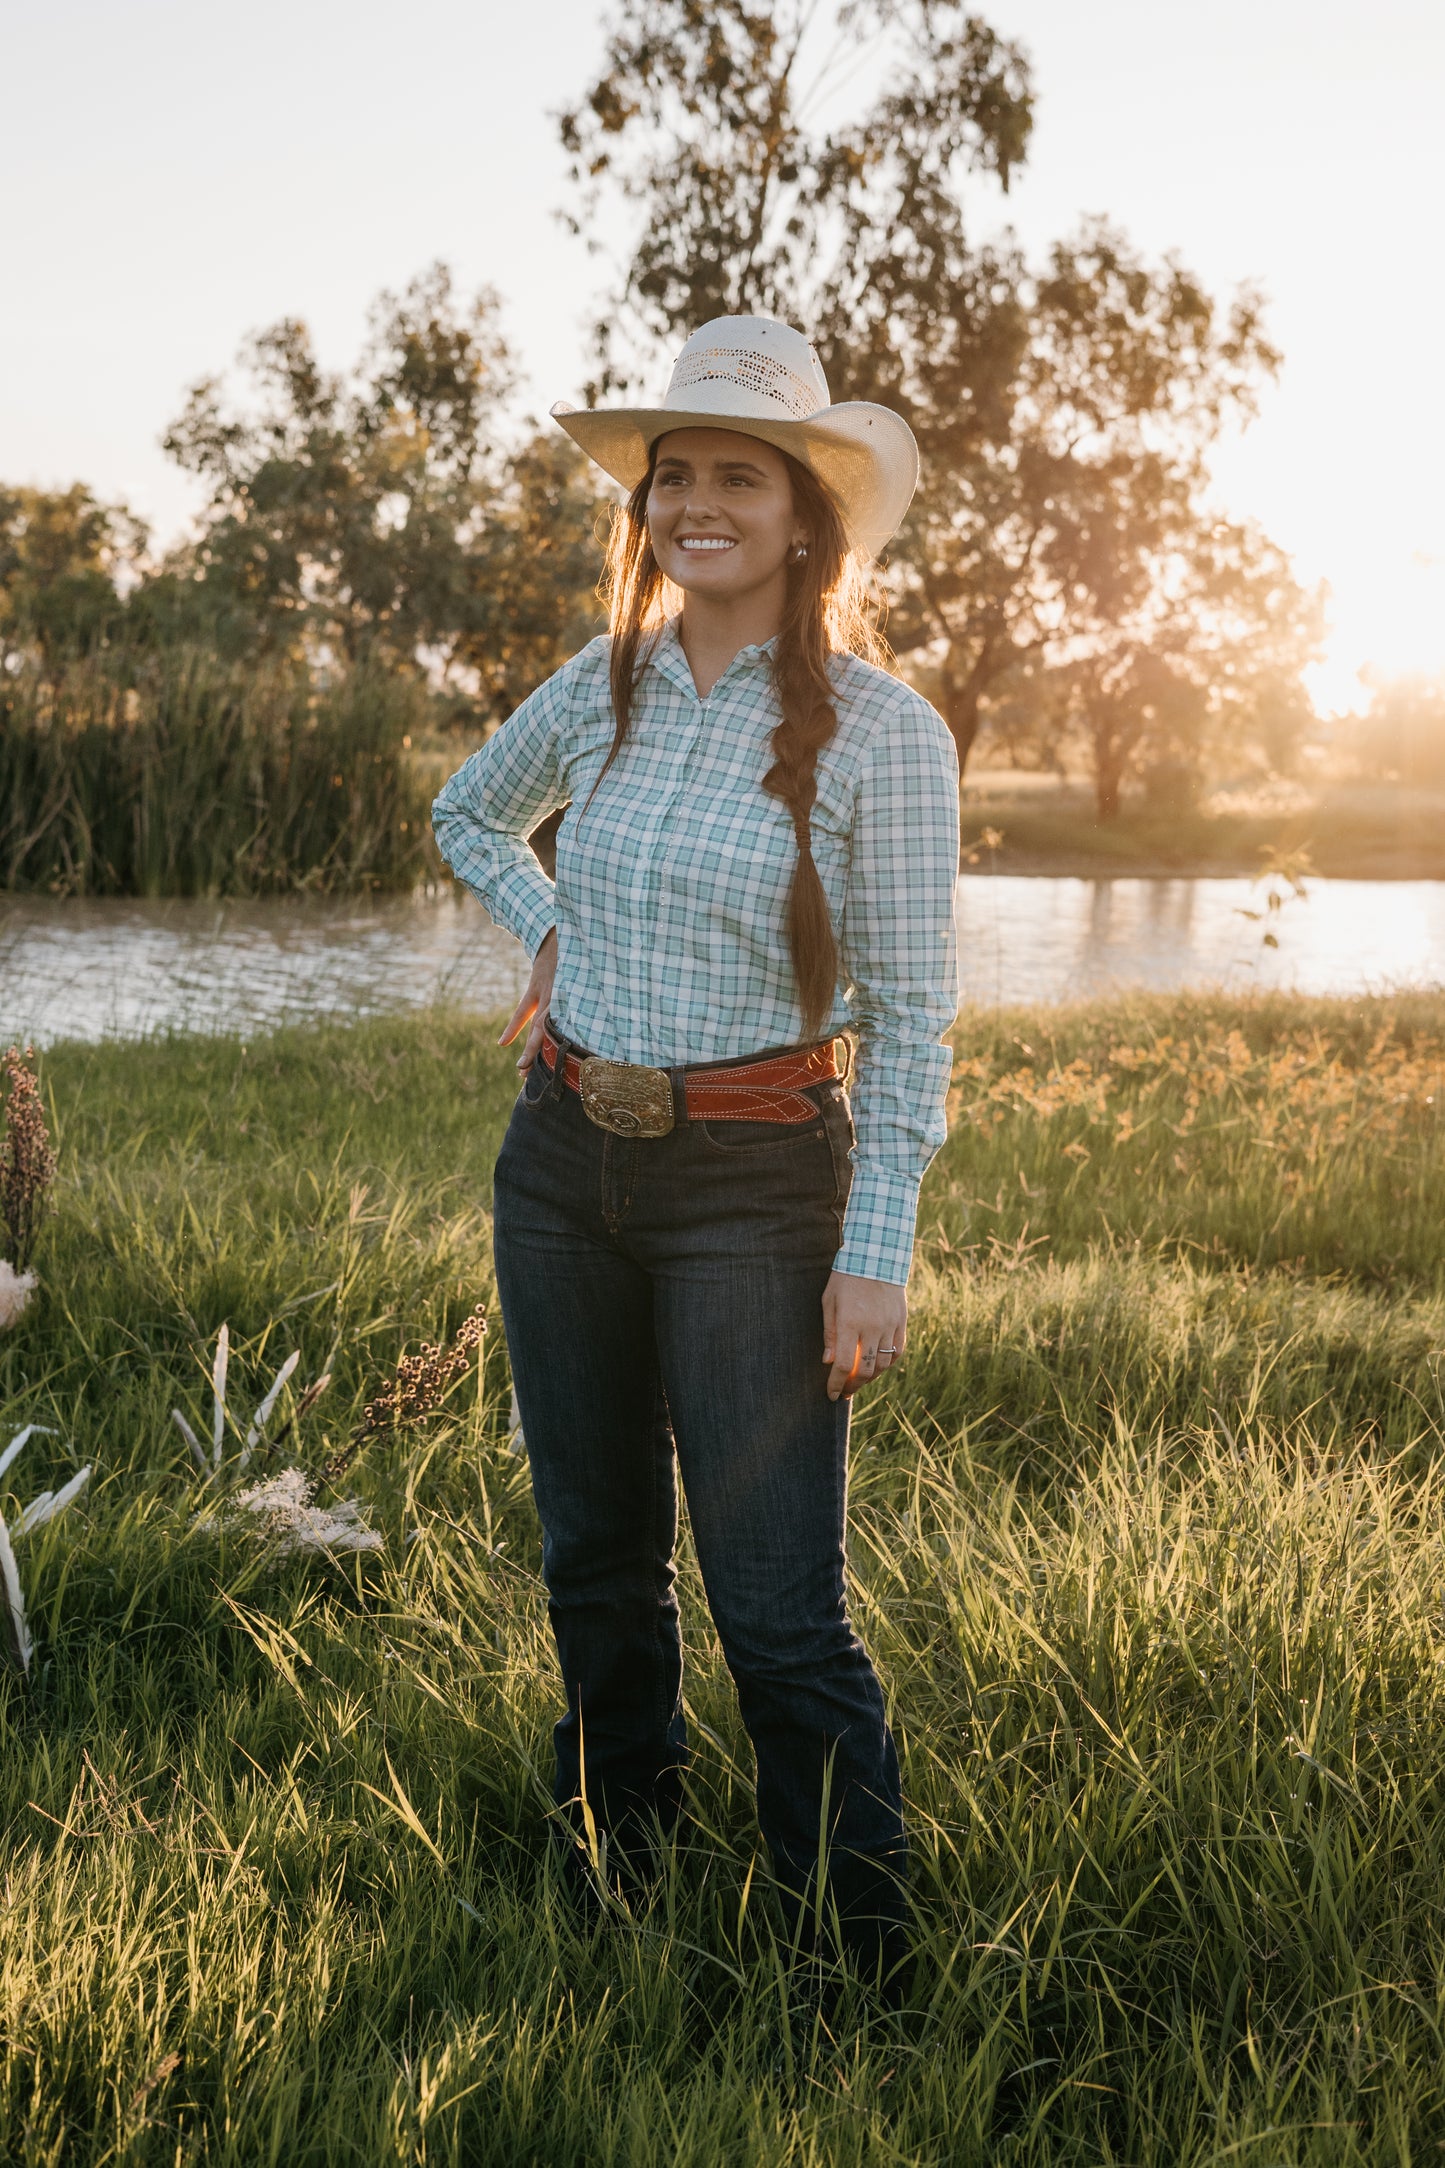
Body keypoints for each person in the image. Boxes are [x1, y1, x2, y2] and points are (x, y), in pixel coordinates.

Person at [432, 315, 959, 1995]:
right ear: (643, 508)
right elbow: (463, 812)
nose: (697, 504)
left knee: (777, 1607)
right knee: (594, 1558)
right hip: (562, 1163)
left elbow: (919, 1014)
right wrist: (549, 929)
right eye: (674, 478)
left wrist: (873, 1244)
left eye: (739, 474)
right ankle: (618, 1864)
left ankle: (856, 1959)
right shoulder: (598, 686)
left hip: (755, 1186)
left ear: (806, 516)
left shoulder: (887, 735)